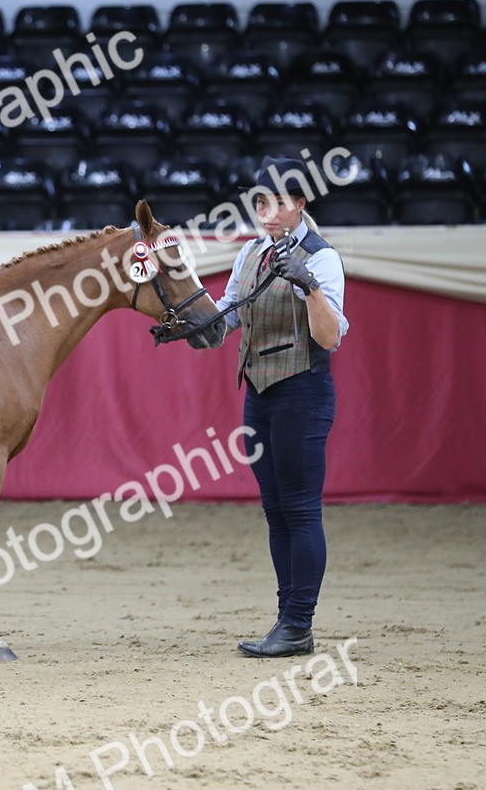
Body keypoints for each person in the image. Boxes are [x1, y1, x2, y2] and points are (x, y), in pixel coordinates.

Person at [213, 155, 350, 657]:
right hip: (260, 393)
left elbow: (330, 336)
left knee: (300, 509)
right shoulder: (250, 252)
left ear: (300, 204)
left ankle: (298, 623)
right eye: (260, 203)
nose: (267, 213)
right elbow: (230, 314)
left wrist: (308, 284)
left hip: (303, 392)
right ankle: (288, 620)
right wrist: (194, 328)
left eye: (278, 203)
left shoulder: (322, 257)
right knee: (276, 511)